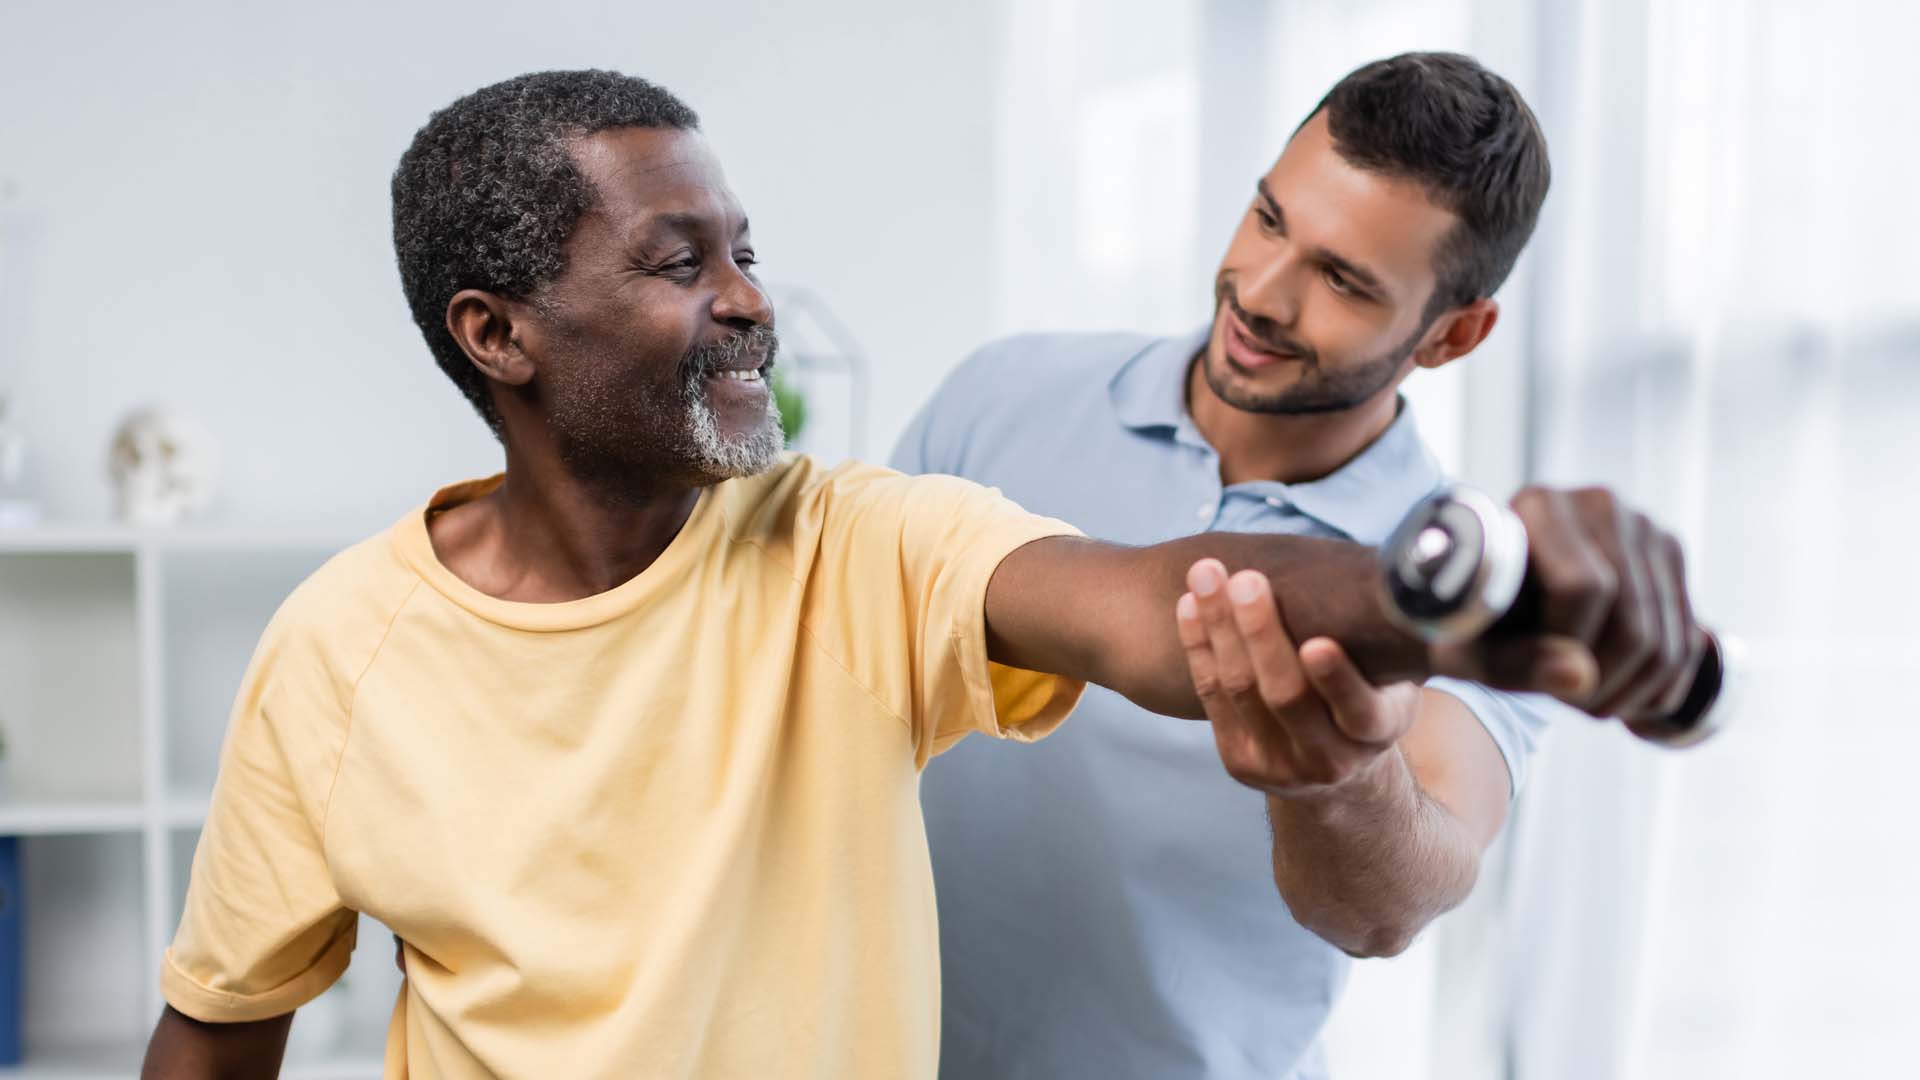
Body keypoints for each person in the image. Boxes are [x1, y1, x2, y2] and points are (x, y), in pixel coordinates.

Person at [139, 69, 1708, 1079]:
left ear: (1449, 333)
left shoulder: (854, 537)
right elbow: (218, 1028)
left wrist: (1456, 590)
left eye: (1348, 278)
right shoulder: (341, 644)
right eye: (688, 264)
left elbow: (1157, 598)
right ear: (499, 334)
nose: (755, 302)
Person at [894, 52, 1652, 1080]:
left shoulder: (1460, 592)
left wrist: (1340, 785)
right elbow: (851, 680)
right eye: (1268, 218)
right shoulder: (1003, 392)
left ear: (1454, 334)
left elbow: (1397, 903)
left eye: (1342, 279)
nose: (1260, 293)